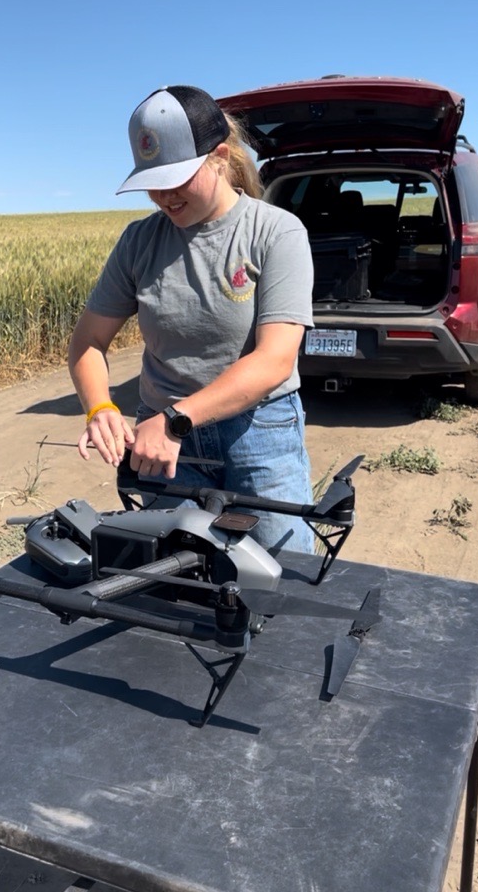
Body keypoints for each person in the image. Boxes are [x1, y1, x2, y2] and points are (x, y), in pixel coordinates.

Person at [68, 85, 315, 554]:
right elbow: (87, 343)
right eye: (152, 182)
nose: (163, 195)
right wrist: (100, 408)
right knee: (178, 575)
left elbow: (275, 361)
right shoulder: (139, 242)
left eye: (177, 178)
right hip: (165, 446)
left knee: (281, 571)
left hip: (258, 431)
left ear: (220, 157)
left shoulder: (274, 232)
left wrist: (176, 420)